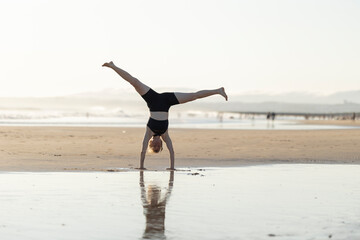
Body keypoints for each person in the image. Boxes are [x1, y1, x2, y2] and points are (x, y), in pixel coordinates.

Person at [102, 61, 228, 170]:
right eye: (158, 146)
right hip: (167, 100)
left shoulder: (149, 132)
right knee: (193, 96)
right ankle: (218, 91)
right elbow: (172, 152)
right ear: (161, 144)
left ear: (151, 143)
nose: (156, 144)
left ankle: (113, 66)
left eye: (154, 146)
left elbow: (142, 150)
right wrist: (172, 167)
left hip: (152, 99)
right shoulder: (165, 135)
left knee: (134, 82)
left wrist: (141, 166)